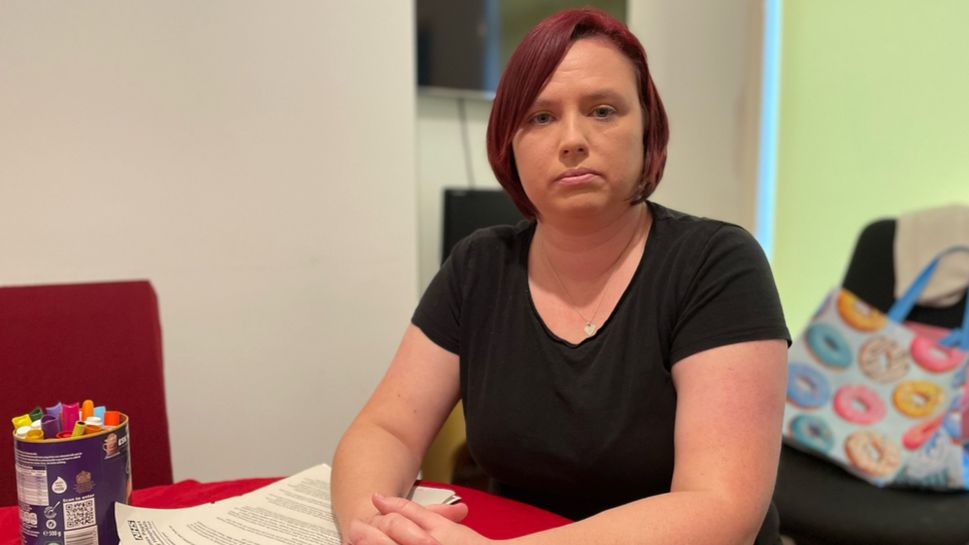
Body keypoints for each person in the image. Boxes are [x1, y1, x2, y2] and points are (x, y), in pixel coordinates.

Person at [332, 7, 789, 545]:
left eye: (602, 110)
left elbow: (720, 507)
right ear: (510, 144)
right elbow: (387, 428)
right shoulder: (479, 266)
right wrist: (372, 526)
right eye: (540, 117)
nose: (572, 139)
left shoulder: (716, 262)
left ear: (647, 130)